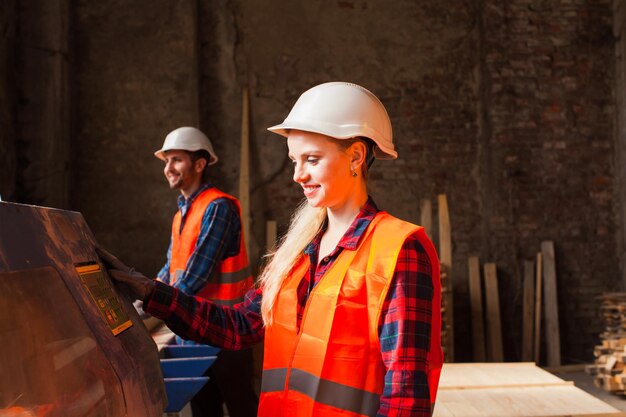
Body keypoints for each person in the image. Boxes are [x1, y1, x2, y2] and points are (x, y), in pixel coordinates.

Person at [100, 82, 442, 417]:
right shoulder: (297, 251)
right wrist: (151, 292)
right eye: (294, 160)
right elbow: (238, 326)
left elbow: (406, 399)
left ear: (356, 156)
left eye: (311, 159)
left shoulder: (399, 250)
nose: (298, 175)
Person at [153, 126, 258, 417]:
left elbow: (195, 276)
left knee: (241, 408)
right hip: (195, 332)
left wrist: (154, 303)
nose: (168, 168)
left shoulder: (218, 207)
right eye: (166, 161)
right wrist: (142, 292)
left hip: (227, 332)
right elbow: (171, 268)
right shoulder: (181, 213)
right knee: (203, 410)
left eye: (176, 160)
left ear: (199, 164)